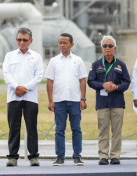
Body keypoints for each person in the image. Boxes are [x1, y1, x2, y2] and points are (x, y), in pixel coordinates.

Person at [45, 33, 87, 166]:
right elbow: (50, 81)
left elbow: (82, 80)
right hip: (59, 101)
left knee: (76, 129)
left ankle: (77, 156)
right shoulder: (53, 61)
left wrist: (83, 98)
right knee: (59, 130)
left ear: (72, 44)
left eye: (65, 42)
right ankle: (60, 157)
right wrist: (51, 101)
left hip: (75, 101)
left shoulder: (78, 60)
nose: (62, 45)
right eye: (60, 42)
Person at [3, 28, 43, 167]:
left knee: (32, 127)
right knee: (14, 127)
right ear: (16, 40)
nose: (22, 42)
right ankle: (12, 157)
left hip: (30, 97)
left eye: (25, 40)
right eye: (19, 39)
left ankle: (33, 156)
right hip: (14, 97)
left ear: (30, 41)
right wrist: (16, 87)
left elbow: (38, 76)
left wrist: (25, 88)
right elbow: (6, 74)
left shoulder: (36, 57)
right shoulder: (9, 56)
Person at [88, 35, 130, 165]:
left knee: (117, 131)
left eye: (110, 46)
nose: (107, 48)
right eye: (105, 46)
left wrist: (116, 87)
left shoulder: (121, 64)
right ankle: (103, 156)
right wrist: (103, 85)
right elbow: (90, 81)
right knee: (103, 131)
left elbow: (127, 82)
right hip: (102, 103)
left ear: (114, 48)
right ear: (101, 48)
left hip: (117, 102)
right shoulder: (96, 64)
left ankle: (115, 155)